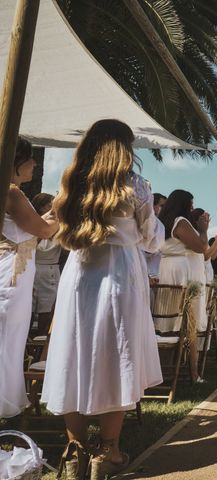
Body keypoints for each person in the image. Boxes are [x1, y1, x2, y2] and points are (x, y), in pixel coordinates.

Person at [40, 120, 163, 479]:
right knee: (118, 358)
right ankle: (108, 452)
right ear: (124, 149)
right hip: (120, 275)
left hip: (79, 277)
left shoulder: (72, 184)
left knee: (74, 355)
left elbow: (53, 230)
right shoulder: (136, 186)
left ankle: (75, 450)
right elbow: (152, 239)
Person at [0, 137, 58, 419]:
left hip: (15, 272)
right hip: (12, 275)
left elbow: (32, 226)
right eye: (31, 158)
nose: (35, 163)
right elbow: (43, 231)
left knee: (10, 337)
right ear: (16, 161)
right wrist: (64, 210)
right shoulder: (11, 192)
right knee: (7, 338)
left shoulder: (11, 193)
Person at [158, 190, 217, 383]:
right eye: (191, 204)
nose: (193, 208)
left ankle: (171, 370)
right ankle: (193, 373)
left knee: (174, 324)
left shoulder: (165, 222)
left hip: (173, 271)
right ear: (183, 204)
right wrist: (203, 230)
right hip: (182, 275)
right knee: (188, 324)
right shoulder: (180, 221)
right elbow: (201, 247)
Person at [31, 193, 62, 330]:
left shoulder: (58, 225)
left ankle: (41, 344)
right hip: (32, 270)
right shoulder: (31, 224)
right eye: (49, 205)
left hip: (50, 272)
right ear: (41, 207)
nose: (52, 208)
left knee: (47, 309)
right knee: (28, 309)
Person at [144, 193, 166, 283]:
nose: (164, 209)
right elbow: (147, 249)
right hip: (147, 275)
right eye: (162, 206)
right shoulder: (146, 222)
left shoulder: (160, 224)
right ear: (152, 204)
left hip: (157, 275)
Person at [189, 208, 214, 284]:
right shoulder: (195, 234)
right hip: (198, 270)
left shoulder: (202, 235)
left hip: (206, 271)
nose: (206, 221)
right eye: (204, 218)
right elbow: (205, 255)